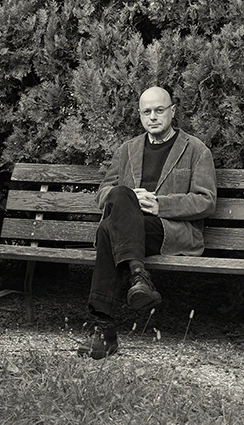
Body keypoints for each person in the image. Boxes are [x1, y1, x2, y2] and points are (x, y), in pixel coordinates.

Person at [77, 86, 217, 359]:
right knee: (119, 197)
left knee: (107, 230)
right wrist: (129, 197)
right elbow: (103, 193)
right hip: (131, 228)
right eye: (147, 111)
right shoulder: (127, 150)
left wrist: (160, 204)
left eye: (159, 110)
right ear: (140, 115)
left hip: (169, 229)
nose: (153, 116)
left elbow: (206, 201)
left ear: (172, 112)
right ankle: (139, 275)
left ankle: (104, 331)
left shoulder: (196, 150)